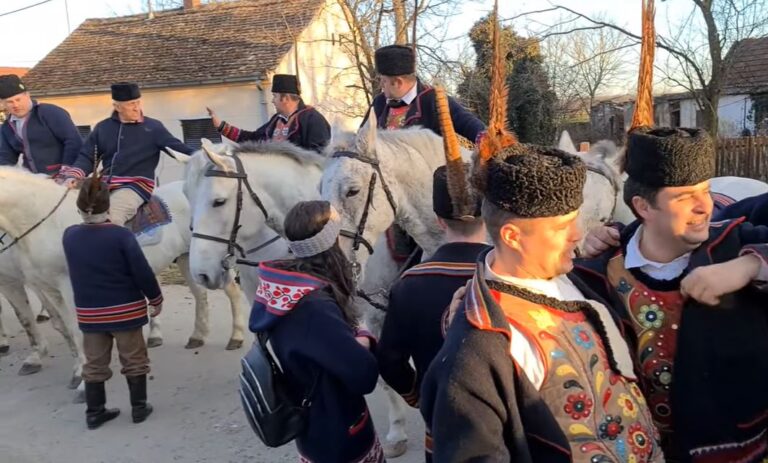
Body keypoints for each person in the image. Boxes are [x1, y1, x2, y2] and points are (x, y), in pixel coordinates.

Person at [420, 141, 663, 462]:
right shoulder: (474, 352)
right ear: (512, 236)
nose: (578, 235)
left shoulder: (583, 280)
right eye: (563, 227)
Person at [574, 126, 768, 461]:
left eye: (705, 191)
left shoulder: (736, 243)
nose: (704, 206)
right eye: (683, 197)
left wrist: (749, 267)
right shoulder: (600, 271)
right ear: (643, 207)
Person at [248, 200, 385, 463]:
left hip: (313, 429)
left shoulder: (281, 291)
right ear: (331, 243)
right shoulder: (314, 309)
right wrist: (363, 337)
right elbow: (364, 376)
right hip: (339, 435)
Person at [376, 165, 487, 461]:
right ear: (487, 213)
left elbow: (389, 361)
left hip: (441, 424)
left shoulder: (408, 285)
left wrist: (418, 395)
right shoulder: (511, 278)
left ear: (438, 220)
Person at [62, 175, 163, 430]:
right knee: (134, 359)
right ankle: (139, 408)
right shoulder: (121, 236)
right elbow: (142, 272)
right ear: (108, 207)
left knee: (94, 364)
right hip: (125, 311)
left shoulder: (70, 235)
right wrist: (155, 298)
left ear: (79, 208)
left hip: (90, 315)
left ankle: (95, 413)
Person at [65, 82, 194, 226]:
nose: (137, 108)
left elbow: (179, 148)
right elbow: (87, 156)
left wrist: (207, 155)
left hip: (136, 186)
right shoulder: (103, 127)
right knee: (71, 211)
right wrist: (74, 175)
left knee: (108, 220)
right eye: (131, 103)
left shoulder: (153, 127)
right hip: (105, 185)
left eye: (138, 102)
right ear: (117, 107)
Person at [362, 45, 485, 144]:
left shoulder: (433, 99)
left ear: (398, 82)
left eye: (384, 81)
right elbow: (361, 137)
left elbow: (467, 123)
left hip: (429, 172)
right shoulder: (379, 103)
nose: (381, 86)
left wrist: (485, 138)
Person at [207, 74, 331, 153]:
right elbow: (253, 139)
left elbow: (318, 157)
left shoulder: (313, 119)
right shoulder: (276, 120)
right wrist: (222, 127)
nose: (272, 100)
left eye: (274, 96)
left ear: (285, 98)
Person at [0, 74, 82, 178]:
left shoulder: (49, 112)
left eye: (18, 99)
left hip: (61, 175)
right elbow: (6, 157)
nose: (15, 105)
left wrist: (68, 170)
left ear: (27, 95)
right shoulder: (6, 127)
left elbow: (73, 141)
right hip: (32, 179)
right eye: (10, 102)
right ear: (2, 103)